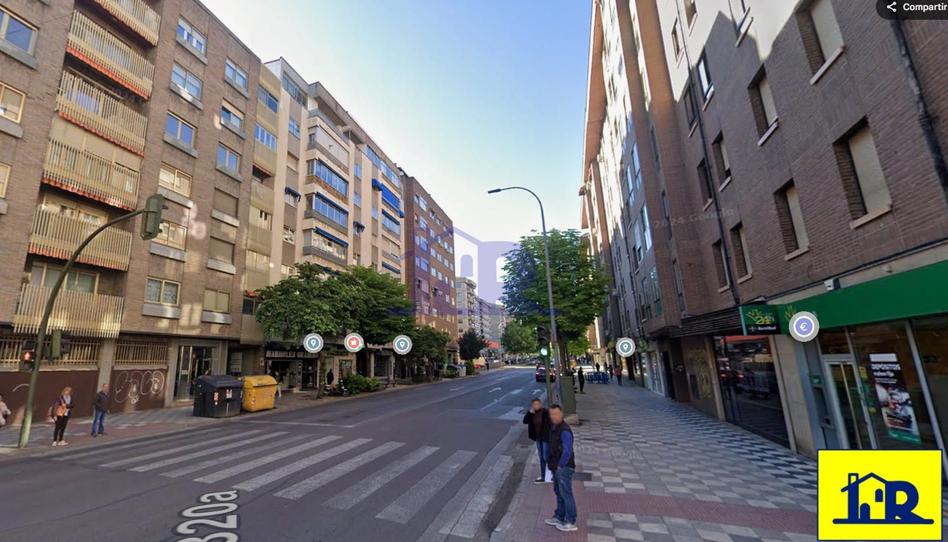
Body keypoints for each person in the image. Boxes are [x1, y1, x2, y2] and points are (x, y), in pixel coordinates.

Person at [544, 404, 577, 532]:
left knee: (566, 493)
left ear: (562, 414)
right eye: (552, 414)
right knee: (559, 492)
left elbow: (567, 450)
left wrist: (560, 465)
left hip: (564, 467)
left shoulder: (564, 430)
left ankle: (570, 521)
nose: (554, 416)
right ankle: (559, 516)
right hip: (556, 466)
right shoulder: (554, 428)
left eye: (556, 414)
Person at [522, 398, 552, 484]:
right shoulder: (532, 413)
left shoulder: (545, 412)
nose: (536, 406)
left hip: (546, 438)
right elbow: (525, 421)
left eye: (538, 404)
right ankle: (543, 476)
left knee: (546, 456)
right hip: (538, 438)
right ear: (532, 405)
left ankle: (552, 474)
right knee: (541, 457)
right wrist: (529, 413)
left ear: (541, 404)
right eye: (534, 404)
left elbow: (551, 424)